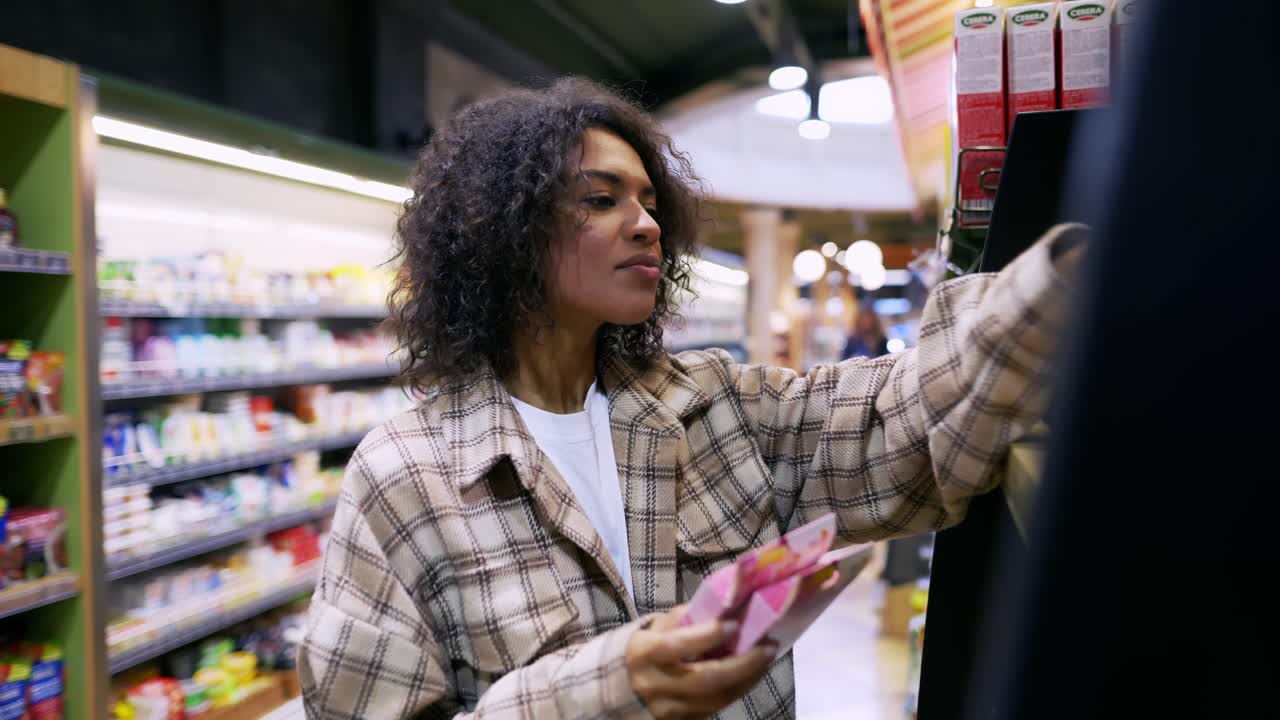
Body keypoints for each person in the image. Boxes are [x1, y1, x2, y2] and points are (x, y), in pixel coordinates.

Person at [298, 78, 1086, 719]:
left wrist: (1058, 280)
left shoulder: (715, 406)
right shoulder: (406, 477)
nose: (646, 224)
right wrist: (610, 690)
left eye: (648, 202)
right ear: (505, 232)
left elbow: (903, 417)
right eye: (600, 199)